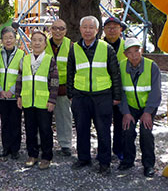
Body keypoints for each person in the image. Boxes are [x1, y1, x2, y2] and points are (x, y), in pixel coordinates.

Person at [67, 16, 122, 175]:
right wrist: (71, 94)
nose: (88, 30)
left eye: (91, 27)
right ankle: (83, 158)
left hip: (102, 96)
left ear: (97, 30)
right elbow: (70, 73)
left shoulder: (106, 48)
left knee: (103, 130)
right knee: (82, 129)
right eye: (85, 27)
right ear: (80, 29)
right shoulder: (74, 48)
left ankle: (104, 162)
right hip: (80, 96)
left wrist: (116, 95)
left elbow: (115, 73)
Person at [117, 38, 161, 177]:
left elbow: (156, 92)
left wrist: (148, 112)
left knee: (146, 132)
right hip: (130, 107)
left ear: (141, 50)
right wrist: (125, 112)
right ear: (125, 54)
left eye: (137, 51)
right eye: (130, 52)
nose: (134, 55)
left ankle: (148, 165)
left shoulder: (151, 66)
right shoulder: (121, 67)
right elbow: (120, 92)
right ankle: (128, 160)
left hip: (147, 106)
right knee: (127, 130)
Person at [16, 30, 59, 170]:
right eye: (34, 40)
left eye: (40, 40)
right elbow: (20, 79)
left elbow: (54, 82)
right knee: (30, 129)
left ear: (45, 44)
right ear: (31, 42)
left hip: (44, 102)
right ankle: (32, 154)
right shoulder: (25, 59)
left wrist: (52, 100)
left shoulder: (49, 60)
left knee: (46, 130)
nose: (37, 43)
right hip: (28, 101)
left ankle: (47, 156)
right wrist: (19, 96)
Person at [45, 18, 73, 156]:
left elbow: (74, 69)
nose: (58, 31)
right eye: (55, 28)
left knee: (64, 116)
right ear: (51, 29)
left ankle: (66, 144)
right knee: (43, 118)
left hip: (63, 89)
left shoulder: (71, 46)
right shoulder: (43, 44)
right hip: (45, 88)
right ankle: (42, 142)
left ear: (66, 31)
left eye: (61, 28)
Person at [0, 26, 25, 160]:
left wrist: (12, 91)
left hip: (15, 96)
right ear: (1, 40)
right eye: (5, 38)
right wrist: (0, 90)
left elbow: (22, 75)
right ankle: (5, 147)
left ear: (15, 39)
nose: (8, 40)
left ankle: (15, 149)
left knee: (15, 122)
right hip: (1, 95)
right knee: (5, 122)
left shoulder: (21, 54)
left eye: (11, 37)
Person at [102, 16, 127, 161]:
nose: (112, 30)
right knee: (103, 123)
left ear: (120, 29)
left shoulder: (126, 46)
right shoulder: (99, 46)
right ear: (104, 30)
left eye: (115, 27)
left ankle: (119, 149)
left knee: (120, 122)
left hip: (122, 91)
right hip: (104, 90)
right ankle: (104, 151)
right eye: (108, 27)